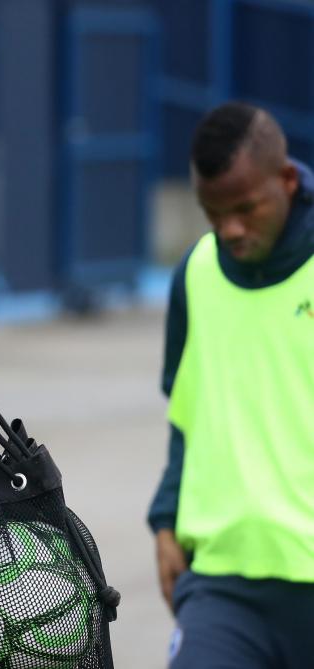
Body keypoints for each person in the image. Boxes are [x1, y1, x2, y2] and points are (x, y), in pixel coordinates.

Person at [147, 102, 314, 668]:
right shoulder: (194, 275)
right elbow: (189, 414)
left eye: (245, 208)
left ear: (286, 180)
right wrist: (166, 519)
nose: (230, 229)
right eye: (213, 213)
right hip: (223, 586)